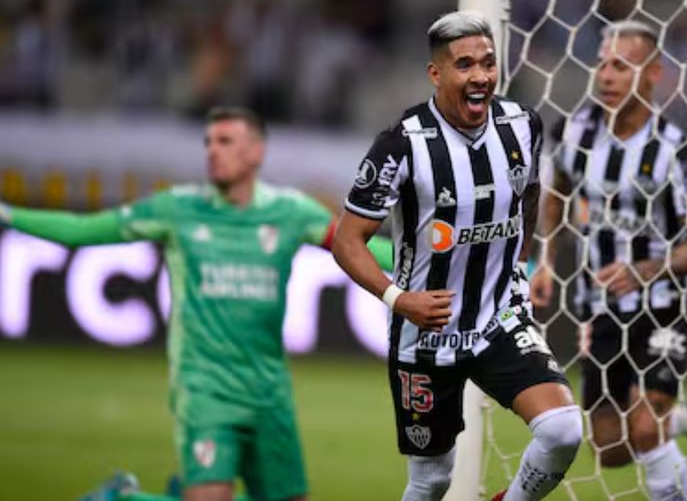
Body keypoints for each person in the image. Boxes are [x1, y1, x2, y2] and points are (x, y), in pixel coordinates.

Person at [0, 106, 393, 501]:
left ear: (255, 152)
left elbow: (356, 245)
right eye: (209, 142)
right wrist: (9, 214)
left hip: (269, 391)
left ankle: (125, 499)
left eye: (225, 142)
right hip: (206, 389)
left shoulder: (290, 212)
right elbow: (83, 230)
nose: (212, 151)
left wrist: (434, 259)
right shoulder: (177, 209)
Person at [332, 11, 582, 501]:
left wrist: (520, 262)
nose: (480, 76)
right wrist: (399, 299)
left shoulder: (522, 125)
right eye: (465, 65)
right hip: (425, 335)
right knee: (431, 481)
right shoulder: (401, 144)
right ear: (437, 74)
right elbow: (347, 241)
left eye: (488, 64)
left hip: (498, 319)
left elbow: (529, 193)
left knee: (562, 431)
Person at [529, 21, 687, 500]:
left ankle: (666, 429)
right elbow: (557, 191)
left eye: (621, 66)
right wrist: (547, 259)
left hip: (664, 305)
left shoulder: (676, 149)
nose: (606, 76)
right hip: (599, 308)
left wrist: (649, 268)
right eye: (601, 64)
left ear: (653, 72)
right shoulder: (574, 131)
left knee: (645, 431)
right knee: (611, 448)